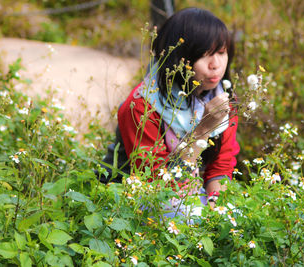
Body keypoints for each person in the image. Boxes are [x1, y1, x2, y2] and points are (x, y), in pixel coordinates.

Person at [99, 7, 239, 207]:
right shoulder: (142, 105)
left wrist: (216, 208)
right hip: (132, 198)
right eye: (203, 55)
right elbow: (156, 184)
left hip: (189, 194)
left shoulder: (222, 99)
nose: (215, 64)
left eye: (221, 52)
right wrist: (202, 130)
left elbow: (220, 166)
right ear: (178, 58)